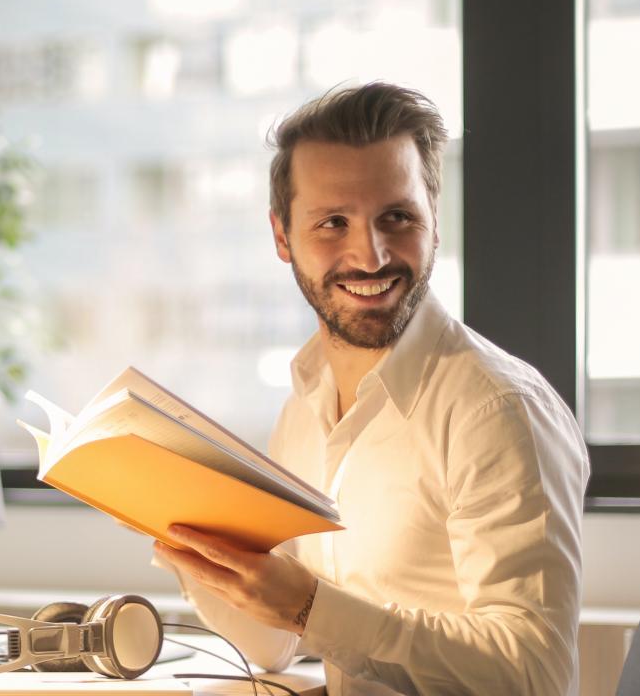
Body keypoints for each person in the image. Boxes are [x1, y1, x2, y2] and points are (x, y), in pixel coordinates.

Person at [153, 82, 589, 695]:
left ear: (434, 223)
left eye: (397, 217)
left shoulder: (496, 408)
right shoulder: (305, 404)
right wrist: (190, 543)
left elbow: (533, 674)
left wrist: (312, 608)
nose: (370, 254)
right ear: (283, 237)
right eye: (333, 223)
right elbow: (273, 645)